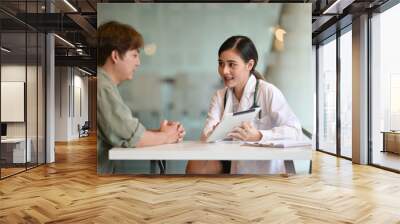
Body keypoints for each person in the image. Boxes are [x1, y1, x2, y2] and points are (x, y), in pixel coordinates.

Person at [186, 36, 302, 174]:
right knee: (194, 164)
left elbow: (295, 131)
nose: (224, 71)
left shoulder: (267, 91)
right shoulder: (220, 96)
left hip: (269, 174)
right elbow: (206, 136)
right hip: (236, 172)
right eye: (221, 63)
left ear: (250, 65)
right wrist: (216, 132)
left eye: (231, 64)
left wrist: (259, 135)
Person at [97, 21, 185, 174]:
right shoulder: (103, 87)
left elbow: (125, 132)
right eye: (135, 55)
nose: (138, 62)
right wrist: (167, 136)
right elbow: (135, 138)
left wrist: (159, 133)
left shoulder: (105, 85)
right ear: (115, 56)